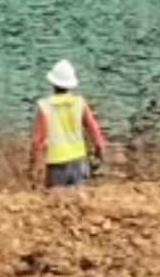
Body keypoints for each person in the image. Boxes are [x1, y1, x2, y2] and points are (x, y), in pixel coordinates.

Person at [30, 59, 106, 190]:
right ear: (71, 84)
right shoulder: (80, 103)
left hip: (56, 166)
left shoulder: (45, 106)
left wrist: (33, 168)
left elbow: (37, 142)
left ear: (53, 82)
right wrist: (99, 152)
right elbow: (95, 132)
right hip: (79, 163)